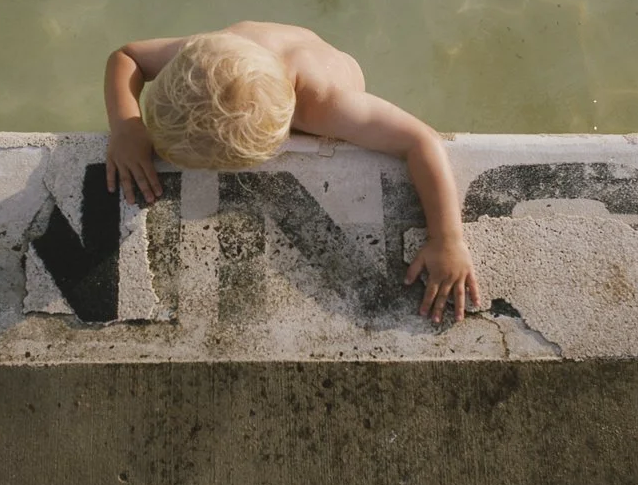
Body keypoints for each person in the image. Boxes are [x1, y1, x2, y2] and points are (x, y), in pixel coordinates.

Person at [104, 20, 479, 324]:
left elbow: (421, 141)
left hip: (328, 68)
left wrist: (447, 239)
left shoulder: (325, 108)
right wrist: (127, 125)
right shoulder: (200, 57)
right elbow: (126, 56)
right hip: (259, 54)